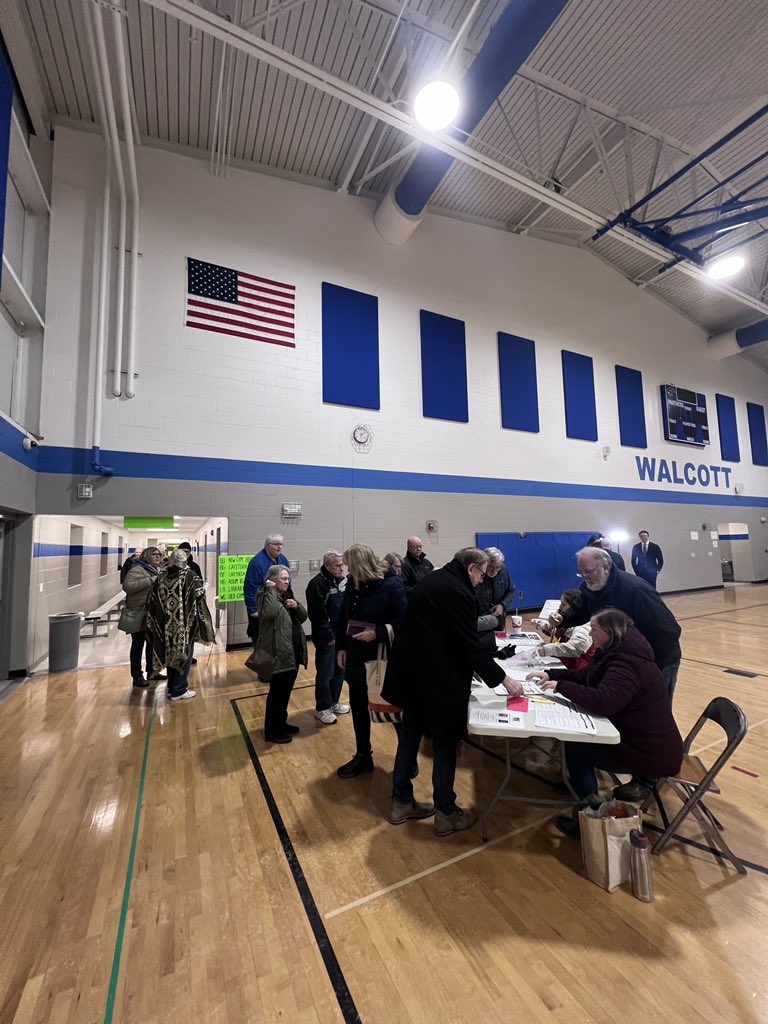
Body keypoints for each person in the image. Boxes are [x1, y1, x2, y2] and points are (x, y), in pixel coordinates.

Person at [382, 548, 523, 836]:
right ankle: (446, 812)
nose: (481, 581)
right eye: (481, 575)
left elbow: (441, 633)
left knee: (409, 737)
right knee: (445, 744)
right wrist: (503, 680)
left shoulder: (433, 580)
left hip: (412, 676)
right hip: (436, 682)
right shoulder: (457, 591)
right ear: (471, 568)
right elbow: (468, 643)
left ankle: (401, 802)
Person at [527, 608, 683, 838]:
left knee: (577, 745)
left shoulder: (627, 663)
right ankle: (580, 785)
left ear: (610, 631)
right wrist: (552, 675)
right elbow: (589, 676)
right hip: (641, 741)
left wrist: (562, 687)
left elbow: (603, 701)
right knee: (577, 740)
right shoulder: (618, 650)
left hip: (647, 752)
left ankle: (589, 815)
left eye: (595, 630)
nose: (591, 634)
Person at [335, 544, 407, 778]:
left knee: (392, 709)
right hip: (356, 656)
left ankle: (407, 759)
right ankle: (363, 756)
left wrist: (378, 632)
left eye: (351, 567)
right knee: (358, 707)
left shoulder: (391, 586)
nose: (348, 571)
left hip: (382, 657)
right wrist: (342, 647)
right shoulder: (354, 585)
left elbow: (405, 621)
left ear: (362, 565)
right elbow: (344, 617)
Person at [145, 547, 215, 701]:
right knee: (185, 655)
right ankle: (179, 689)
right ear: (184, 561)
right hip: (184, 625)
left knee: (170, 653)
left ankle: (171, 687)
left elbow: (153, 598)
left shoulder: (162, 576)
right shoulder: (188, 575)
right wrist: (206, 587)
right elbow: (198, 594)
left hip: (165, 624)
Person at [255, 564, 308, 742]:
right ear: (272, 580)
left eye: (288, 578)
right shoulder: (265, 595)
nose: (288, 581)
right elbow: (269, 613)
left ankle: (281, 723)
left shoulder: (286, 595)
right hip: (277, 654)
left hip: (291, 654)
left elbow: (303, 617)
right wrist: (269, 588)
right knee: (277, 695)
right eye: (284, 579)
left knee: (285, 693)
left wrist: (296, 605)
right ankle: (271, 731)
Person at [305, 550, 350, 725]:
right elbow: (317, 615)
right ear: (328, 566)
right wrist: (329, 636)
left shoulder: (342, 580)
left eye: (342, 565)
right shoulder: (317, 584)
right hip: (327, 637)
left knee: (340, 670)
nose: (342, 568)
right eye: (338, 565)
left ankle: (334, 702)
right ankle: (322, 708)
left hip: (342, 634)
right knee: (326, 672)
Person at [122, 546, 164, 687]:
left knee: (152, 644)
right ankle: (137, 676)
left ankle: (152, 672)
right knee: (138, 645)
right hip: (139, 613)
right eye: (154, 554)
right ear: (146, 556)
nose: (158, 556)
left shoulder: (155, 569)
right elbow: (127, 586)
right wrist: (150, 581)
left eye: (159, 554)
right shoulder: (137, 569)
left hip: (151, 614)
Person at [243, 534, 289, 644]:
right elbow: (250, 587)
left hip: (278, 606)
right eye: (276, 544)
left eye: (281, 544)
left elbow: (288, 581)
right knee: (262, 644)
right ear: (267, 546)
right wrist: (253, 610)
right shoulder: (257, 562)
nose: (279, 547)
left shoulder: (283, 559)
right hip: (262, 607)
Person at [536, 589, 594, 670]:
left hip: (576, 670)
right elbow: (555, 631)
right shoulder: (565, 619)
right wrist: (542, 624)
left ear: (574, 608)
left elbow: (575, 648)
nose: (560, 607)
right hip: (560, 662)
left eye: (563, 604)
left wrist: (548, 649)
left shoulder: (584, 626)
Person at [476, 546, 515, 630]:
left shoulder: (503, 570)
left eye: (498, 567)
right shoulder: (476, 573)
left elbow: (511, 591)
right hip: (479, 618)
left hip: (498, 617)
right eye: (491, 567)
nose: (494, 571)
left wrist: (502, 605)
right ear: (484, 563)